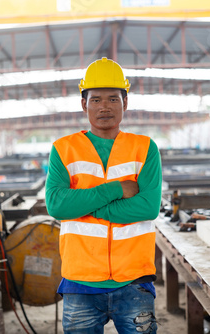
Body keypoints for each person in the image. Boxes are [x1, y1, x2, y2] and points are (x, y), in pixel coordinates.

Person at [45, 57, 162, 333]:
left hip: (134, 280)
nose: (105, 106)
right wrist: (116, 190)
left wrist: (85, 205)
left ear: (126, 102)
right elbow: (57, 205)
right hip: (80, 281)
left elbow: (147, 207)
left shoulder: (145, 149)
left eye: (113, 98)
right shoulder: (64, 149)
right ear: (83, 104)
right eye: (96, 99)